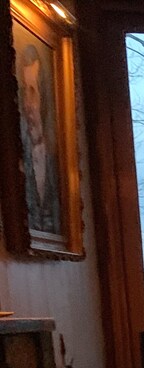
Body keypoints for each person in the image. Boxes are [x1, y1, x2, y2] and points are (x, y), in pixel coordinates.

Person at [18, 43, 60, 234]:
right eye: (24, 91)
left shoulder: (54, 158)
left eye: (33, 91)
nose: (28, 104)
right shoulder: (20, 154)